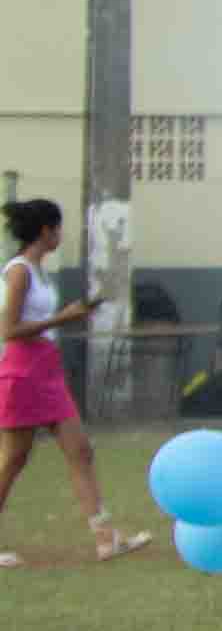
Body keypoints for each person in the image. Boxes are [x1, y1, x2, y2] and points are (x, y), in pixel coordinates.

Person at [0, 198, 128, 563]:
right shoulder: (19, 271)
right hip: (22, 371)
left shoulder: (40, 272)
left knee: (80, 451)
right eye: (57, 228)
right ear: (45, 231)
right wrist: (63, 318)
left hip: (46, 368)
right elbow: (8, 330)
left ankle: (106, 537)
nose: (60, 234)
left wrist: (68, 315)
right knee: (13, 459)